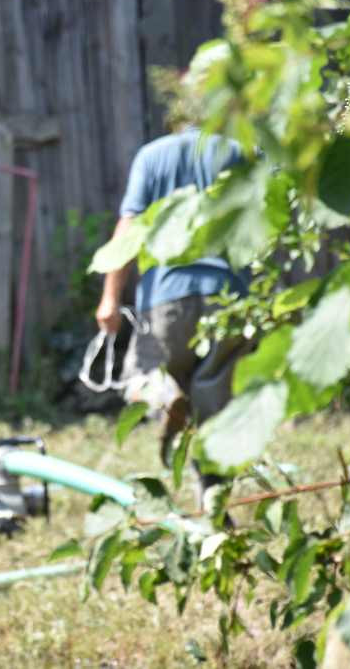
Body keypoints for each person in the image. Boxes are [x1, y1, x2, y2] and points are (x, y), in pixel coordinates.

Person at [95, 126, 251, 506]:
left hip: (166, 295)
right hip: (227, 296)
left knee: (142, 376)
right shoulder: (237, 149)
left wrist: (109, 298)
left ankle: (164, 397)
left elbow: (128, 228)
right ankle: (213, 507)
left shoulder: (151, 156)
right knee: (215, 409)